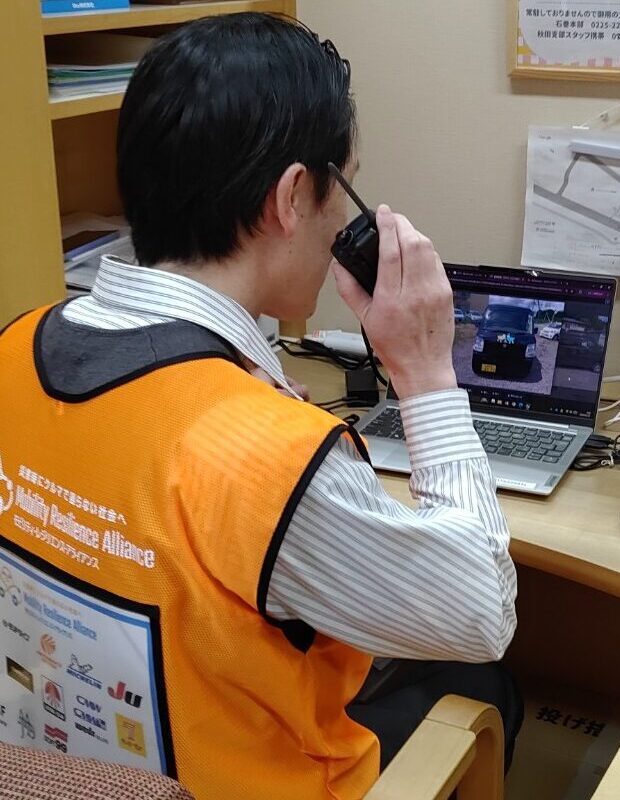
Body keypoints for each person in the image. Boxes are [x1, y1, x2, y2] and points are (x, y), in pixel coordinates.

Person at [0, 13, 521, 800]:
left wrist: (251, 398)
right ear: (291, 197)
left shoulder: (17, 347)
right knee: (481, 684)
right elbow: (483, 614)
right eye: (345, 187)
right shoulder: (268, 457)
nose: (345, 223)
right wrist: (424, 375)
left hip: (60, 771)